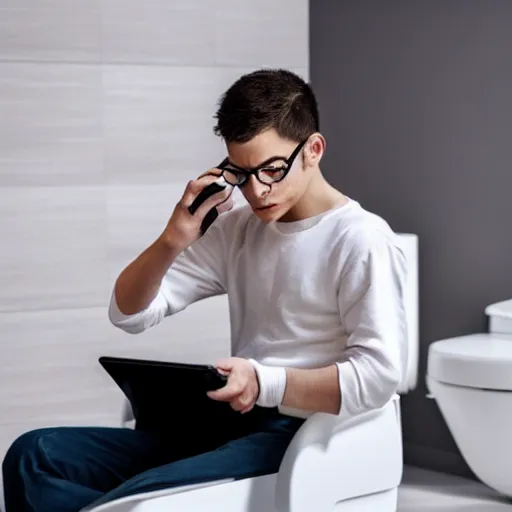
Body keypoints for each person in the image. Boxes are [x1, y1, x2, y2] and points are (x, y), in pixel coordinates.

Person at [2, 69, 408, 512]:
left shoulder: (361, 239)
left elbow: (378, 376)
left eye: (272, 170)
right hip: (230, 423)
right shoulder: (238, 230)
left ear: (313, 149)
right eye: (240, 172)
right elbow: (129, 312)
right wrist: (172, 239)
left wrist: (264, 382)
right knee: (32, 456)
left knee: (138, 500)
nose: (256, 191)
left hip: (301, 435)